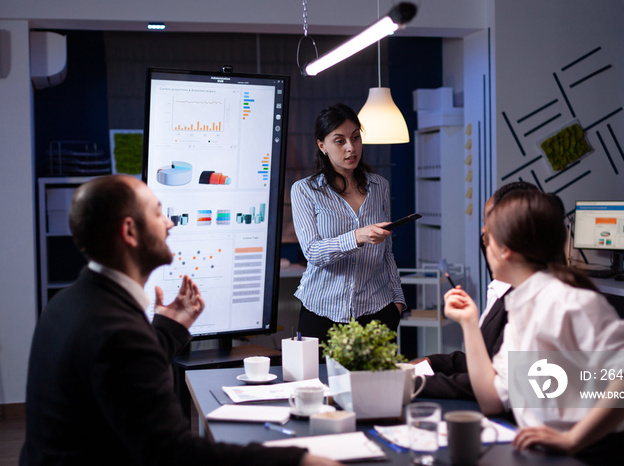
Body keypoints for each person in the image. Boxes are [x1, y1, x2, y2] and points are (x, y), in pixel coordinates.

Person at [21, 175, 339, 466]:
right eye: (158, 213)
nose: (170, 224)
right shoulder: (117, 331)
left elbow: (121, 387)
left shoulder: (65, 303)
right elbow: (173, 453)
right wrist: (299, 460)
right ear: (130, 231)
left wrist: (169, 327)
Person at [443, 189, 624, 464]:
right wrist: (469, 323)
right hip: (546, 455)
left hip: (590, 456)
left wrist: (573, 438)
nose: (485, 246)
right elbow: (491, 400)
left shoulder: (566, 300)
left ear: (505, 250)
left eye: (487, 238)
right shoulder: (521, 304)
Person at [290, 104, 406, 342]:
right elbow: (312, 252)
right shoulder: (305, 190)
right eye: (339, 141)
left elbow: (387, 252)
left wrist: (398, 301)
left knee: (378, 380)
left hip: (377, 310)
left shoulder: (379, 186)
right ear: (322, 146)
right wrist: (357, 236)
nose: (351, 148)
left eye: (355, 137)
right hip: (322, 312)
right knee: (318, 380)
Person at [415, 182, 541, 401]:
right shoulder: (506, 291)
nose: (483, 233)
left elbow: (494, 388)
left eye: (490, 225)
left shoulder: (537, 302)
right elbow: (486, 364)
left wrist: (412, 382)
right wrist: (431, 363)